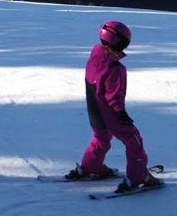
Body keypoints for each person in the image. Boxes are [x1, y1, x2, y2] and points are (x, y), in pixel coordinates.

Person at [66, 20, 161, 193]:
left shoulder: (93, 60)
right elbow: (114, 97)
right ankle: (138, 178)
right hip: (110, 114)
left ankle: (90, 167)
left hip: (95, 113)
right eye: (124, 43)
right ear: (118, 43)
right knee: (134, 141)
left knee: (101, 139)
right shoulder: (115, 69)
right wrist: (120, 113)